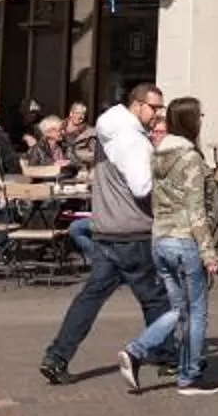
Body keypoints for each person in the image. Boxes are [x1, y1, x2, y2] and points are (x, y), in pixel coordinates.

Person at [40, 83, 169, 387]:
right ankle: (168, 356)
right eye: (154, 108)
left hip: (106, 229)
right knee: (156, 300)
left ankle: (56, 357)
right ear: (137, 105)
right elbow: (142, 187)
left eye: (161, 109)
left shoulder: (107, 130)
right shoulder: (133, 141)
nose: (157, 114)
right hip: (133, 232)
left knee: (90, 298)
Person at [127, 95, 218, 395]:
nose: (202, 120)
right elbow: (196, 210)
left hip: (161, 238)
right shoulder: (190, 157)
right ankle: (189, 375)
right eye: (200, 115)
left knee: (178, 309)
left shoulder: (158, 154)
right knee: (196, 312)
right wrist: (208, 252)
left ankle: (137, 352)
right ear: (190, 120)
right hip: (185, 240)